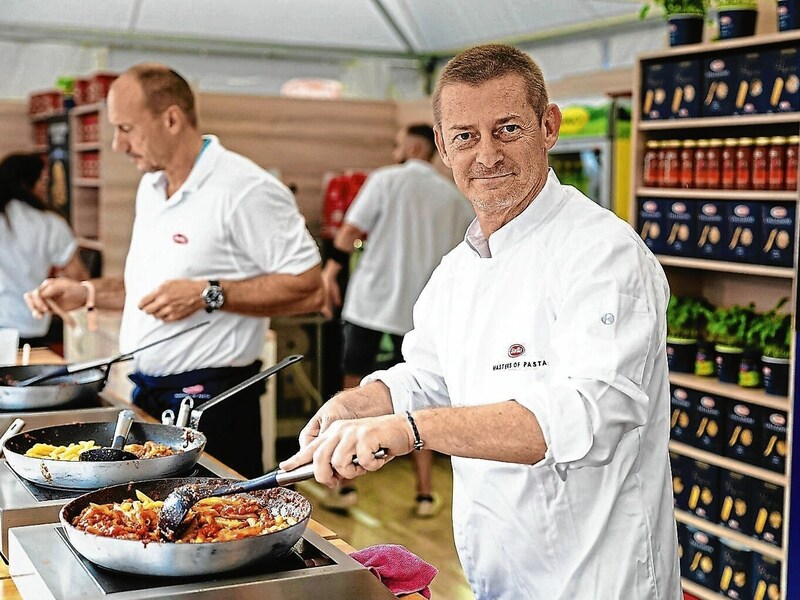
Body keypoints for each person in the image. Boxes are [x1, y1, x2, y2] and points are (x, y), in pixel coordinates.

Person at [281, 44, 680, 599]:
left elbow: (587, 415)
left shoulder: (604, 252)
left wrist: (412, 431)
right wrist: (359, 404)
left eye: (508, 129)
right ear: (443, 148)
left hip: (595, 579)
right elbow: (425, 378)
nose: (487, 155)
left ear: (549, 126)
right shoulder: (458, 270)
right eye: (466, 136)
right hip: (494, 576)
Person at [26, 63, 324, 478]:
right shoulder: (151, 187)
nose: (116, 144)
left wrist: (210, 293)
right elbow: (154, 290)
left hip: (213, 404)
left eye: (126, 128)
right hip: (149, 396)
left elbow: (311, 289)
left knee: (221, 529)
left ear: (171, 119)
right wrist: (87, 293)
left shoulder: (245, 189)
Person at [321, 124, 474, 516]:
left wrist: (330, 273)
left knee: (353, 391)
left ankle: (344, 486)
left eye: (398, 142)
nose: (394, 149)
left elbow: (348, 234)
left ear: (414, 145)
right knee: (420, 397)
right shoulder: (454, 196)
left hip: (370, 306)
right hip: (420, 314)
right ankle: (424, 493)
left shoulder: (385, 180)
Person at [0, 153, 88, 346]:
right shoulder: (50, 224)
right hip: (29, 322)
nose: (45, 188)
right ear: (26, 184)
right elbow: (79, 278)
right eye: (43, 181)